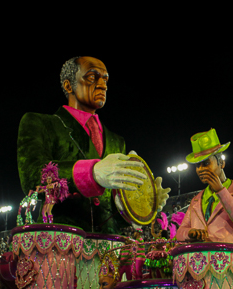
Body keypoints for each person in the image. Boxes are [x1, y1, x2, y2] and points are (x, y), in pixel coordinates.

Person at [17, 56, 169, 233]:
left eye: (105, 79)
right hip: (62, 242)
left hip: (109, 248)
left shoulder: (116, 141)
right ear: (68, 86)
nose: (103, 85)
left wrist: (142, 204)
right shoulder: (40, 123)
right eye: (92, 77)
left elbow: (109, 212)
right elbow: (32, 176)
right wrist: (91, 172)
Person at [176, 129, 233, 244]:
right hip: (200, 259)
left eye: (206, 163)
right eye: (198, 165)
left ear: (221, 163)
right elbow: (179, 233)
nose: (201, 169)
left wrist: (221, 191)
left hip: (229, 260)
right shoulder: (196, 200)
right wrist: (190, 233)